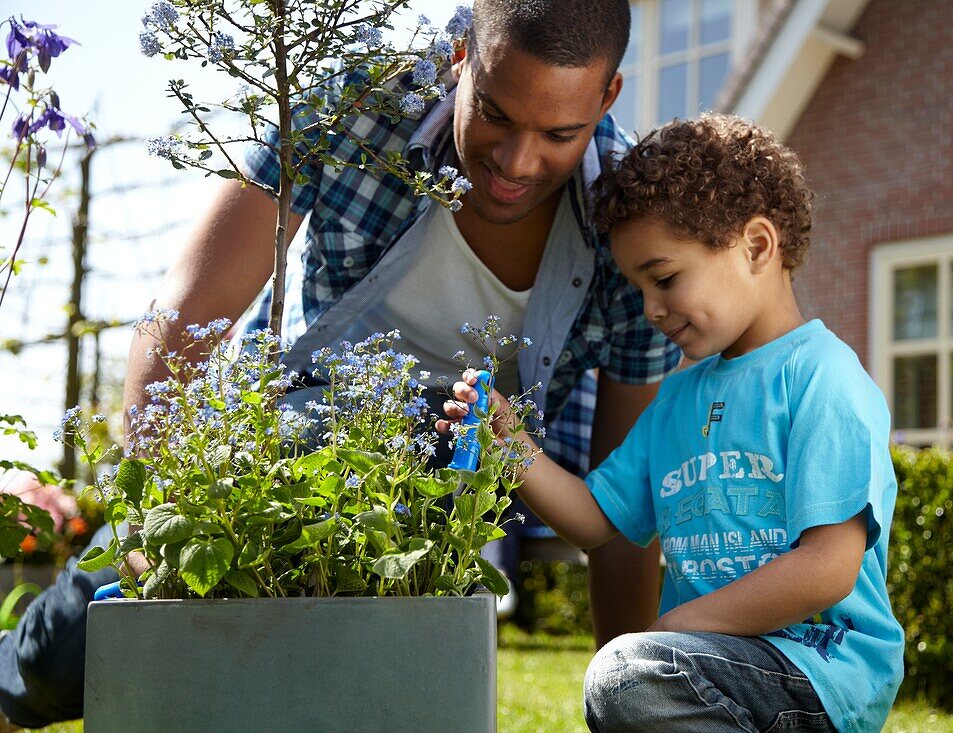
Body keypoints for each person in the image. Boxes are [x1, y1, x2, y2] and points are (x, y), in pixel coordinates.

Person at [0, 1, 681, 728]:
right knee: (63, 653)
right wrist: (148, 520)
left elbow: (626, 502)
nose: (517, 162)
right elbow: (183, 315)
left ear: (607, 96)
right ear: (461, 58)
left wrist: (627, 711)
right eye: (493, 112)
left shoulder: (636, 223)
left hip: (459, 482)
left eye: (558, 133)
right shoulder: (356, 100)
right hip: (279, 442)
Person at [442, 115, 905, 732]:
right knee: (631, 681)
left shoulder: (823, 377)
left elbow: (827, 568)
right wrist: (510, 443)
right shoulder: (677, 400)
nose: (651, 309)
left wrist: (673, 629)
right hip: (703, 665)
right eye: (637, 289)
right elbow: (593, 519)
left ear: (757, 246)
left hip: (820, 669)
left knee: (629, 677)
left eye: (664, 278)